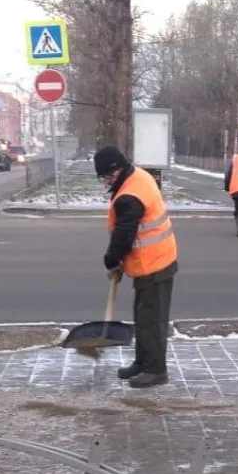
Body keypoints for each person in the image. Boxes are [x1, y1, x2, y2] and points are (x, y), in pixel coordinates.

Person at [94, 146, 178, 389]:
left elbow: (124, 235)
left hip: (155, 263)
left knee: (152, 320)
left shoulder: (129, 197)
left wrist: (111, 259)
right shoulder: (137, 176)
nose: (106, 182)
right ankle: (142, 362)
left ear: (116, 170)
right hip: (151, 261)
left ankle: (156, 370)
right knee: (143, 317)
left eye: (107, 176)